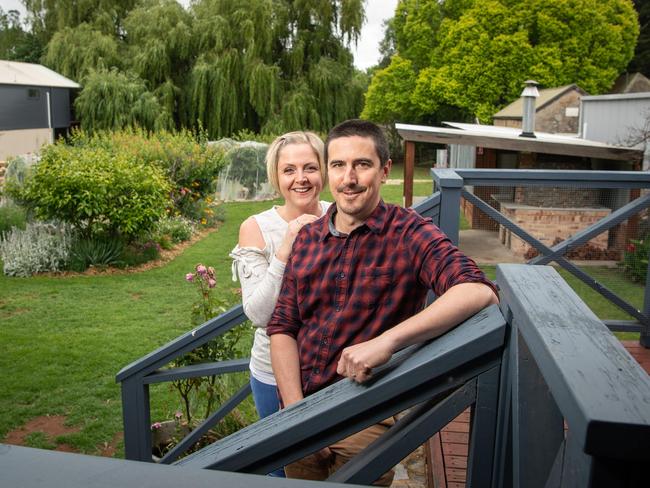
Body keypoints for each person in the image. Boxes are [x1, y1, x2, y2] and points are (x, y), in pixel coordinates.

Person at [266, 119, 499, 484]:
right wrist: (295, 413)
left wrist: (387, 341)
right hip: (301, 410)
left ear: (385, 170)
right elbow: (282, 326)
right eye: (339, 165)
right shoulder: (307, 239)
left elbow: (478, 290)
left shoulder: (409, 232)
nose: (349, 178)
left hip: (365, 412)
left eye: (362, 164)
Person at [230, 132, 330, 476]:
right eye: (289, 170)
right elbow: (258, 314)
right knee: (282, 468)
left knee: (338, 463)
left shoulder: (341, 215)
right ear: (276, 177)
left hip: (334, 368)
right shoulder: (257, 227)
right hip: (274, 375)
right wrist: (287, 248)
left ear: (323, 172)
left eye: (310, 168)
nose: (300, 179)